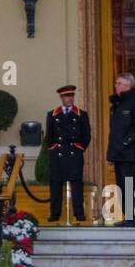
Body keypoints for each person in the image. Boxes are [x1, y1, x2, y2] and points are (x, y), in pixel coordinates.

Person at [106, 73, 135, 227]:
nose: (116, 86)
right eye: (116, 83)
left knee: (131, 185)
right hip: (119, 153)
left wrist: (125, 142)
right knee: (122, 186)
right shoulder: (117, 105)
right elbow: (114, 133)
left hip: (129, 153)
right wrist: (111, 154)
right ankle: (129, 217)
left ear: (128, 85)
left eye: (119, 83)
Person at [45, 84, 91, 222]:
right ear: (61, 98)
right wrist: (53, 148)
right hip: (57, 154)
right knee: (55, 184)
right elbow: (49, 136)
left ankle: (79, 213)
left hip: (74, 153)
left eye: (71, 96)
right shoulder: (52, 114)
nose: (69, 99)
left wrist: (79, 148)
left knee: (76, 183)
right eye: (66, 96)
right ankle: (55, 213)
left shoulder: (81, 114)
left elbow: (86, 136)